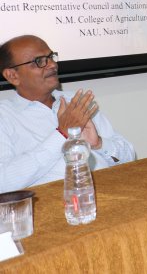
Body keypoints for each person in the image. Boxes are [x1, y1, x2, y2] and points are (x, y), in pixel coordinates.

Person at [0, 35, 136, 192]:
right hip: (58, 206)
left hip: (114, 192)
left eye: (51, 57)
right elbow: (3, 182)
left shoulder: (76, 101)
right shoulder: (4, 116)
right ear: (12, 75)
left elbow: (129, 157)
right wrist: (61, 135)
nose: (52, 65)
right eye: (39, 61)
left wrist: (98, 143)